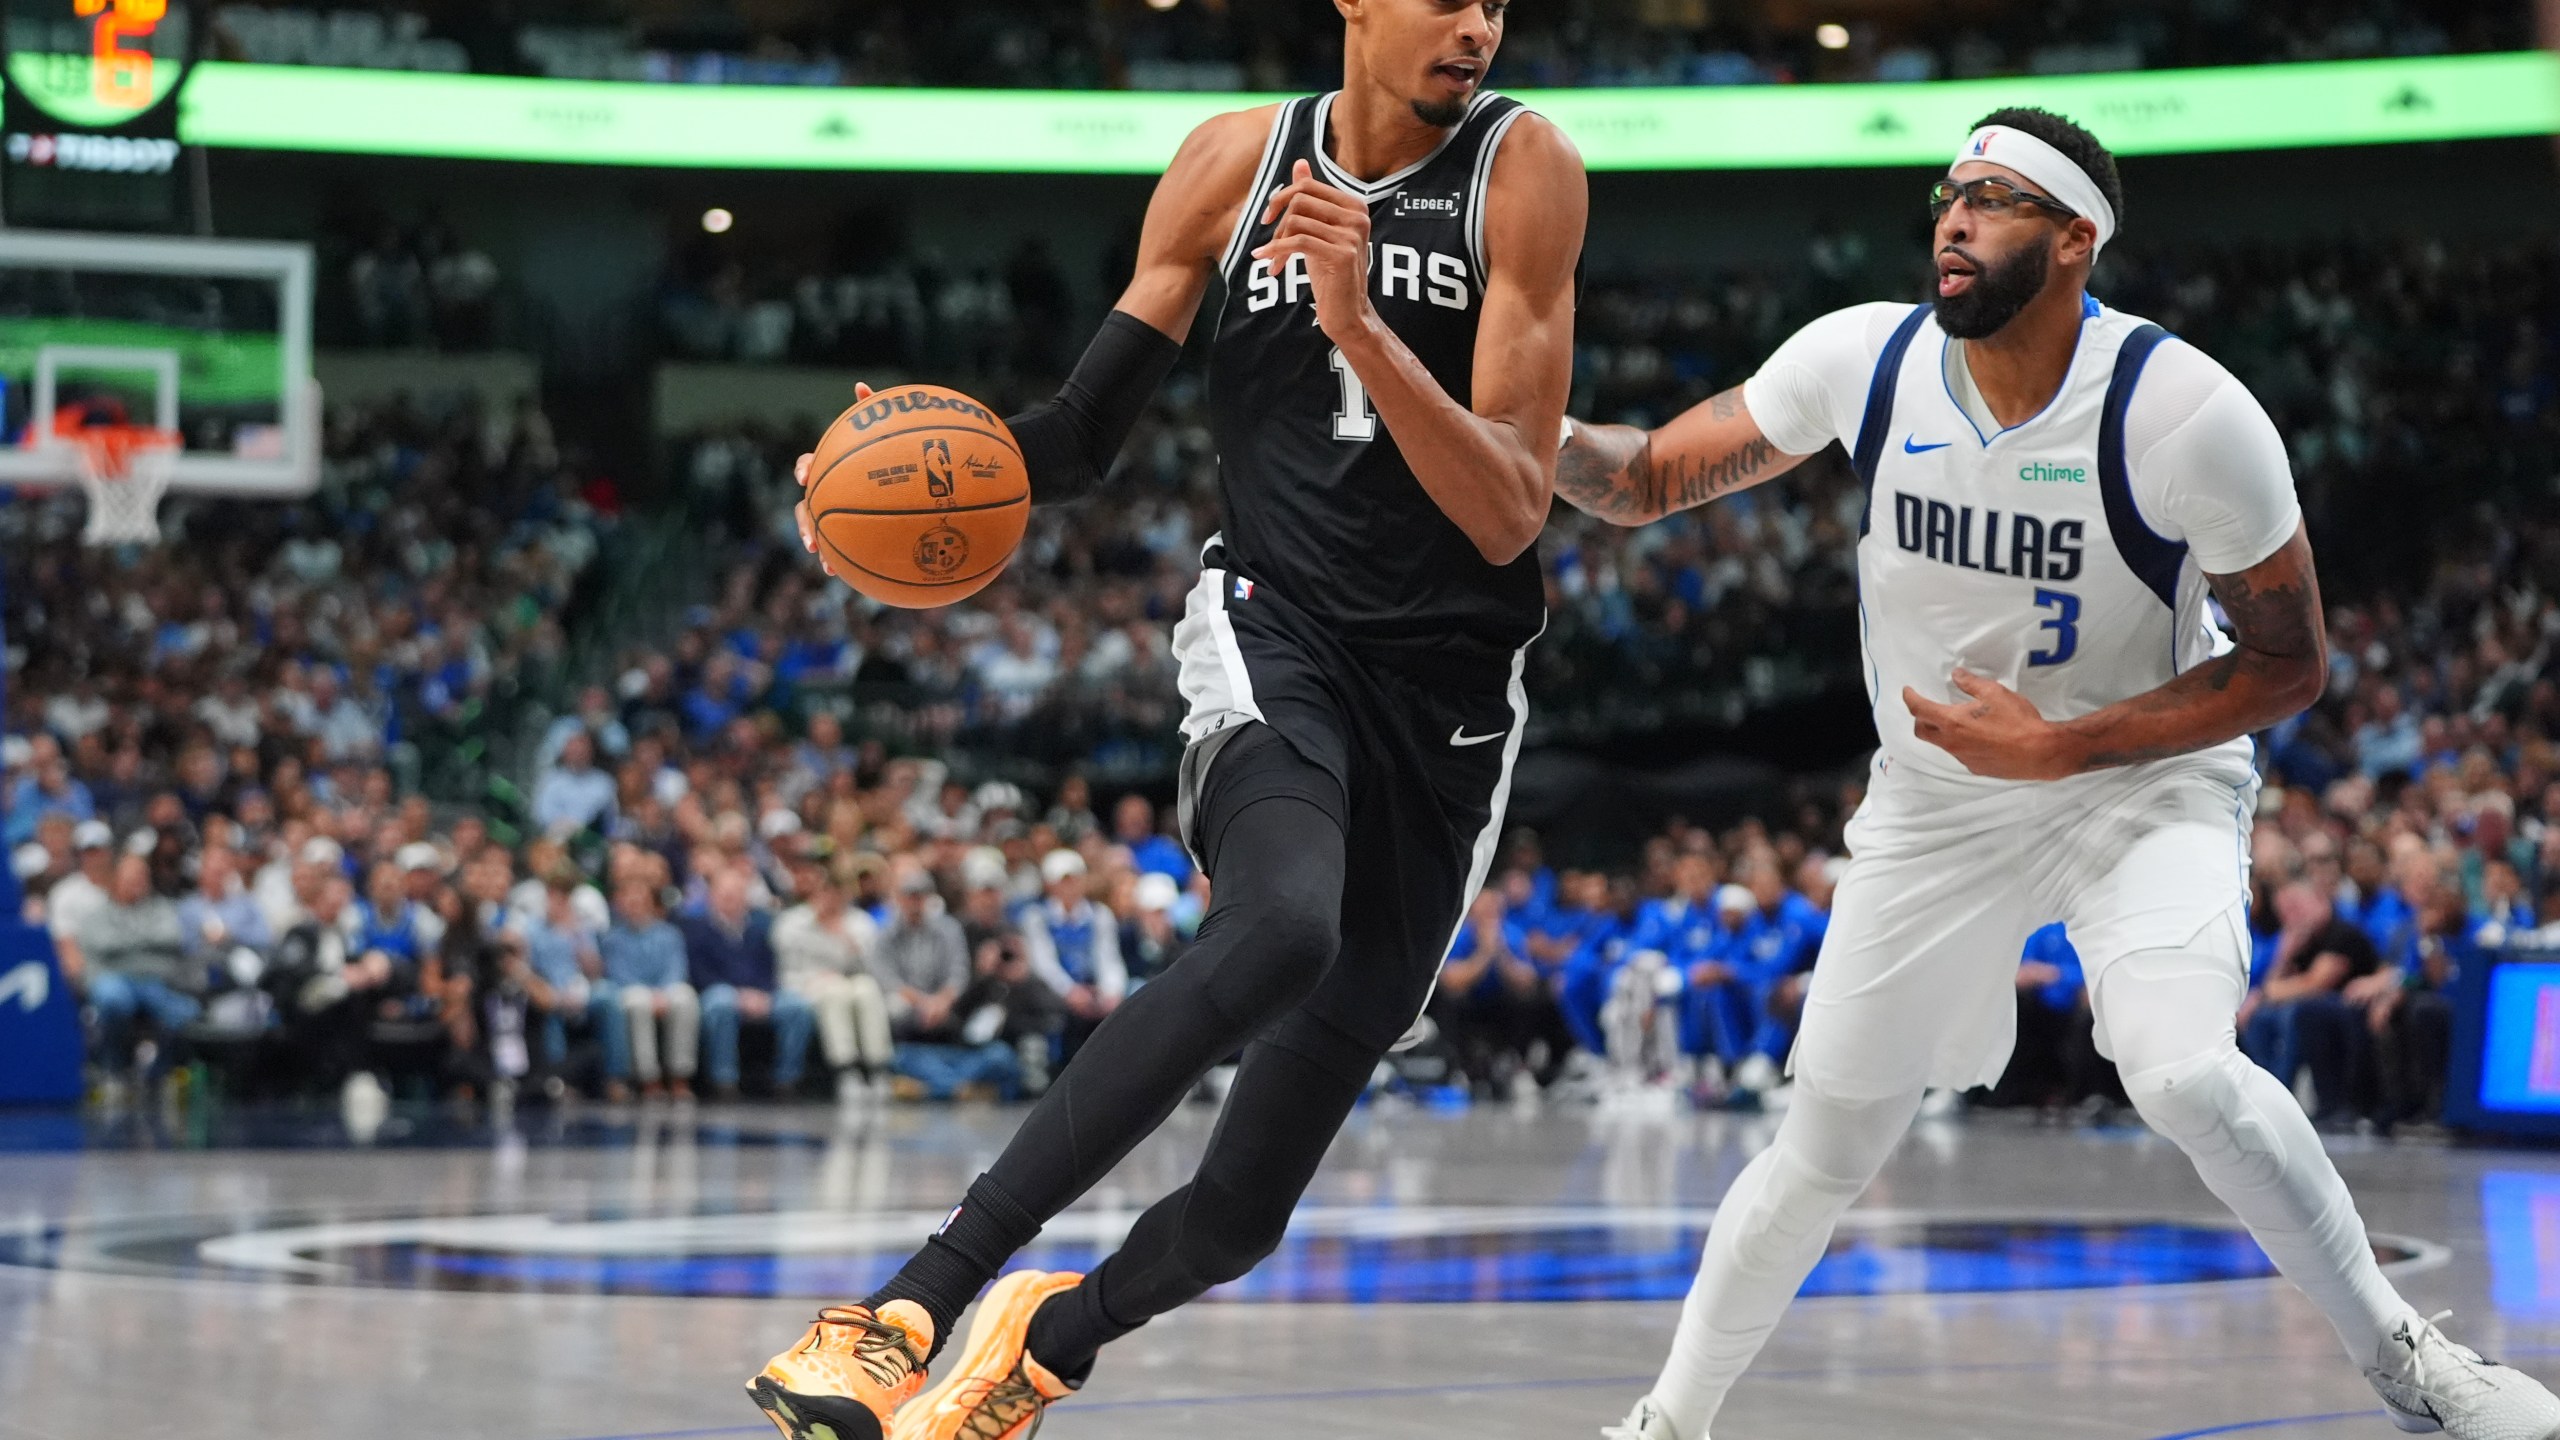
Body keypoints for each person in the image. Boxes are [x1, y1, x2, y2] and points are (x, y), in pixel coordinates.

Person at [1555, 108, 2557, 1440]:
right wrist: (1504, 423)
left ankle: (2412, 1360)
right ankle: (1669, 1422)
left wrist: (2063, 744)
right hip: (1937, 807)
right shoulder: (1865, 358)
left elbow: (2289, 665)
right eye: (1946, 195)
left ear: (2075, 238)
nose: (1953, 219)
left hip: (2138, 787)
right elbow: (1640, 482)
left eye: (1992, 199)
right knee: (1824, 1142)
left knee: (2180, 1069)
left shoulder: (2186, 413)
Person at [751, 0, 1587, 1433]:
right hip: (1278, 632)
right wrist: (902, 477)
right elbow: (1081, 436)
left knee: (1242, 1216)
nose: (1475, 27)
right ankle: (903, 1308)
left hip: (1452, 702)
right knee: (1281, 927)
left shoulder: (1523, 169)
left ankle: (1048, 1341)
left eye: (1495, 5)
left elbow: (1512, 510)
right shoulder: (1230, 165)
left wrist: (1360, 323)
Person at [684, 866, 813, 1100]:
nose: (730, 899)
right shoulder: (697, 929)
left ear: (745, 897)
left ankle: (787, 1079)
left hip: (760, 993)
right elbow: (698, 973)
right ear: (712, 896)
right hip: (717, 991)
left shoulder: (760, 928)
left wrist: (763, 994)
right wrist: (739, 994)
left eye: (735, 894)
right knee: (721, 1004)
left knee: (797, 1007)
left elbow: (770, 968)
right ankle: (724, 1080)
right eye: (725, 894)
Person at [773, 858, 893, 1103]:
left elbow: (872, 970)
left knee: (867, 989)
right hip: (806, 986)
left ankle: (876, 1067)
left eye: (838, 892)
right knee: (834, 991)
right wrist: (813, 979)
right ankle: (845, 1070)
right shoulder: (792, 923)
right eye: (826, 890)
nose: (832, 897)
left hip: (850, 983)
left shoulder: (860, 923)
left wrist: (848, 942)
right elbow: (785, 972)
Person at [70, 854, 197, 1072]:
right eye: (131, 878)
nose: (137, 883)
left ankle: (158, 1072)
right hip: (113, 977)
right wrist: (147, 941)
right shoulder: (96, 915)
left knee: (188, 1012)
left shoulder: (162, 908)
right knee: (113, 998)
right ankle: (112, 1067)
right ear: (115, 880)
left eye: (142, 877)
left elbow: (172, 936)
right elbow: (103, 944)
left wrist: (125, 941)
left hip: (156, 981)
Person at [1014, 848, 1126, 1064]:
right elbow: (1044, 964)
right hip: (1056, 995)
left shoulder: (1099, 914)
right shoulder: (1037, 917)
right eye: (1063, 881)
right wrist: (1070, 992)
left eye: (1074, 880)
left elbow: (1108, 958)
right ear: (1050, 885)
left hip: (1092, 990)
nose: (1070, 886)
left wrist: (1111, 991)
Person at [601, 875, 698, 1100]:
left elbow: (676, 968)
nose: (635, 906)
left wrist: (663, 992)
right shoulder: (612, 939)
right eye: (630, 901)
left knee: (685, 998)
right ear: (621, 905)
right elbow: (618, 974)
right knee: (638, 1002)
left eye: (640, 901)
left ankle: (680, 1076)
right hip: (631, 990)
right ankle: (649, 1079)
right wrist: (650, 994)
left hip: (665, 989)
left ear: (650, 904)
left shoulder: (670, 934)